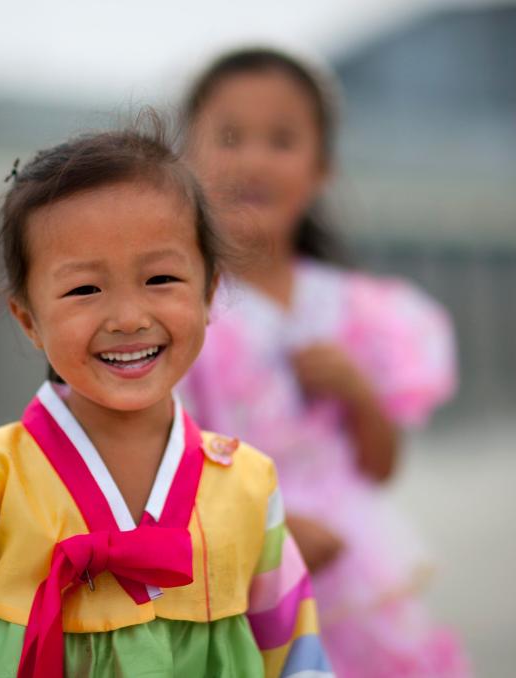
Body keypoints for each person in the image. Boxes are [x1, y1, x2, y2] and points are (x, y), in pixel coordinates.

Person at [0, 119, 333, 677]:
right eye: (84, 289)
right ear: (28, 319)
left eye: (162, 278)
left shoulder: (248, 482)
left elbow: (296, 660)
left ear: (211, 290)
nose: (128, 318)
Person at [179, 48, 470, 677]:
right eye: (230, 136)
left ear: (322, 168)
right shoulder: (179, 307)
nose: (254, 159)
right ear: (187, 159)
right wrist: (265, 527)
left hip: (354, 581)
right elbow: (159, 454)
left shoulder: (356, 309)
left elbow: (381, 466)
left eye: (281, 139)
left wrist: (360, 392)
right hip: (237, 578)